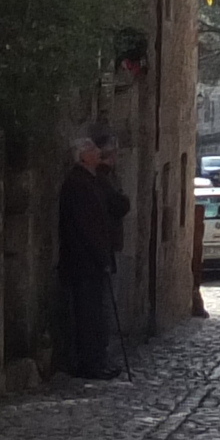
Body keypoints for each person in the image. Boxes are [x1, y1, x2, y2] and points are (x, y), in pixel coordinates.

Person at [58, 134, 126, 378]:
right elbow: (88, 227)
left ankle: (97, 361)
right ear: (83, 155)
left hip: (90, 262)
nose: (99, 154)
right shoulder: (78, 184)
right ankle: (90, 364)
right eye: (93, 151)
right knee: (87, 314)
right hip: (84, 263)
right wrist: (101, 257)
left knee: (95, 313)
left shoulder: (91, 181)